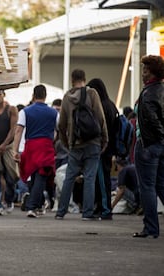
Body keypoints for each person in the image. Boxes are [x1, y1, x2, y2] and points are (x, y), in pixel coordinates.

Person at [55, 69, 108, 220]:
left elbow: (62, 125)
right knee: (90, 178)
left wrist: (67, 144)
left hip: (75, 144)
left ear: (72, 80)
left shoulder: (67, 97)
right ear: (84, 79)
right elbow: (100, 117)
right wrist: (105, 138)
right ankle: (87, 213)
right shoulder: (92, 93)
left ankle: (61, 212)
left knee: (69, 178)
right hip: (92, 142)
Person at [13, 84, 58, 218]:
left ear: (33, 95)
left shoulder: (24, 112)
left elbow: (19, 131)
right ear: (45, 96)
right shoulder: (54, 112)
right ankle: (32, 206)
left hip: (30, 146)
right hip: (46, 146)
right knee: (41, 176)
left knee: (33, 175)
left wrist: (15, 150)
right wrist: (53, 140)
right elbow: (60, 129)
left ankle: (36, 204)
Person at [133, 55, 164, 239]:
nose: (142, 74)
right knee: (161, 185)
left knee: (147, 187)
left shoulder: (148, 93)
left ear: (151, 72)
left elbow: (152, 120)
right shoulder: (161, 90)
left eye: (145, 70)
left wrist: (159, 136)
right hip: (160, 146)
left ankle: (151, 227)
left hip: (148, 145)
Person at [87, 78, 119, 220]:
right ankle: (101, 207)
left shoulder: (102, 106)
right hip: (109, 147)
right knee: (101, 178)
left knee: (101, 179)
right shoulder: (111, 105)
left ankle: (105, 209)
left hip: (102, 148)